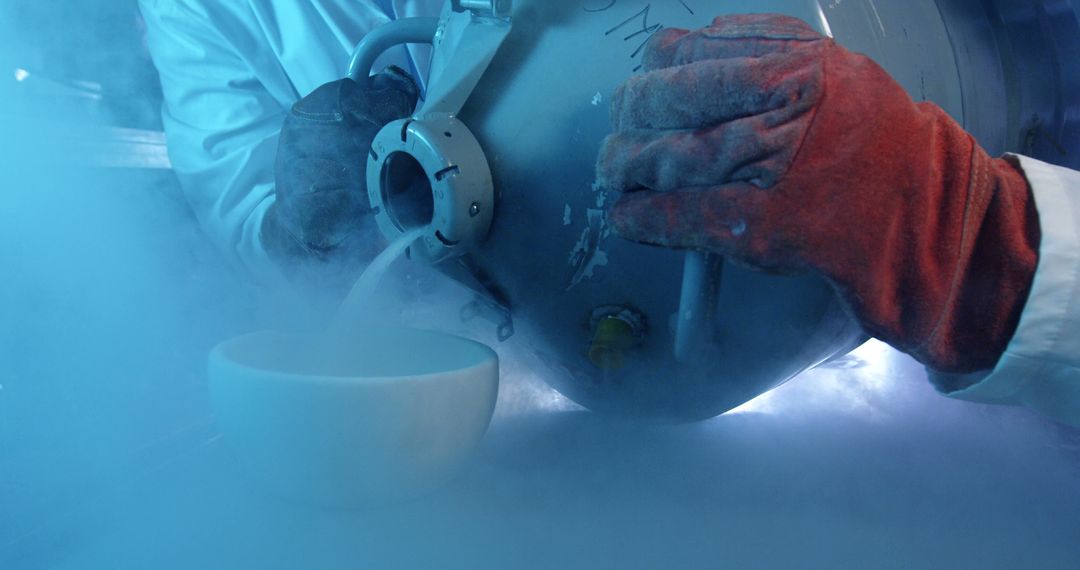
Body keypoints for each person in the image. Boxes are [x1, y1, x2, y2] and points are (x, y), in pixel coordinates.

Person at [140, 3, 1079, 426]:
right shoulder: (194, 10)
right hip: (594, 322)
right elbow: (242, 194)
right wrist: (304, 219)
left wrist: (978, 251)